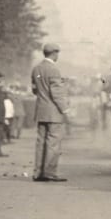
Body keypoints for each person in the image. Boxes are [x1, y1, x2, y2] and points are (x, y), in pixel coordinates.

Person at [31, 42, 70, 181]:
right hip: (53, 112)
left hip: (41, 110)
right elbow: (56, 93)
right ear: (54, 53)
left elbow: (34, 90)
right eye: (57, 53)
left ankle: (38, 173)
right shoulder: (53, 70)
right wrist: (65, 109)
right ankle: (50, 172)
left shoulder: (36, 69)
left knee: (41, 142)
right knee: (53, 143)